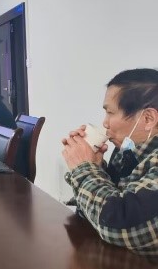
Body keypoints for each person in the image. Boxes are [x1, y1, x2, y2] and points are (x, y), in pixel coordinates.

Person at [62, 68, 158, 256]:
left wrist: (84, 170)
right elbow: (94, 215)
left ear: (148, 118)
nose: (105, 123)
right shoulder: (128, 151)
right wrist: (96, 166)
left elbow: (119, 225)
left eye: (110, 113)